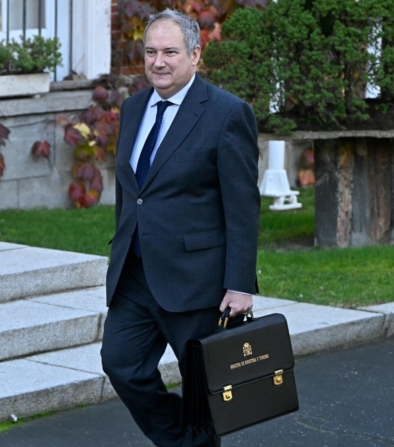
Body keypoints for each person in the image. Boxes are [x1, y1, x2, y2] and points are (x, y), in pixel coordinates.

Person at [100, 8, 260, 447]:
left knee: (203, 395)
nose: (158, 62)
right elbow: (132, 192)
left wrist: (240, 284)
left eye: (170, 52)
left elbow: (243, 207)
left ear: (194, 54)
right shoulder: (133, 109)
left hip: (196, 280)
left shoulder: (227, 114)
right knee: (121, 364)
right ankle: (181, 441)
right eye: (151, 52)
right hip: (135, 275)